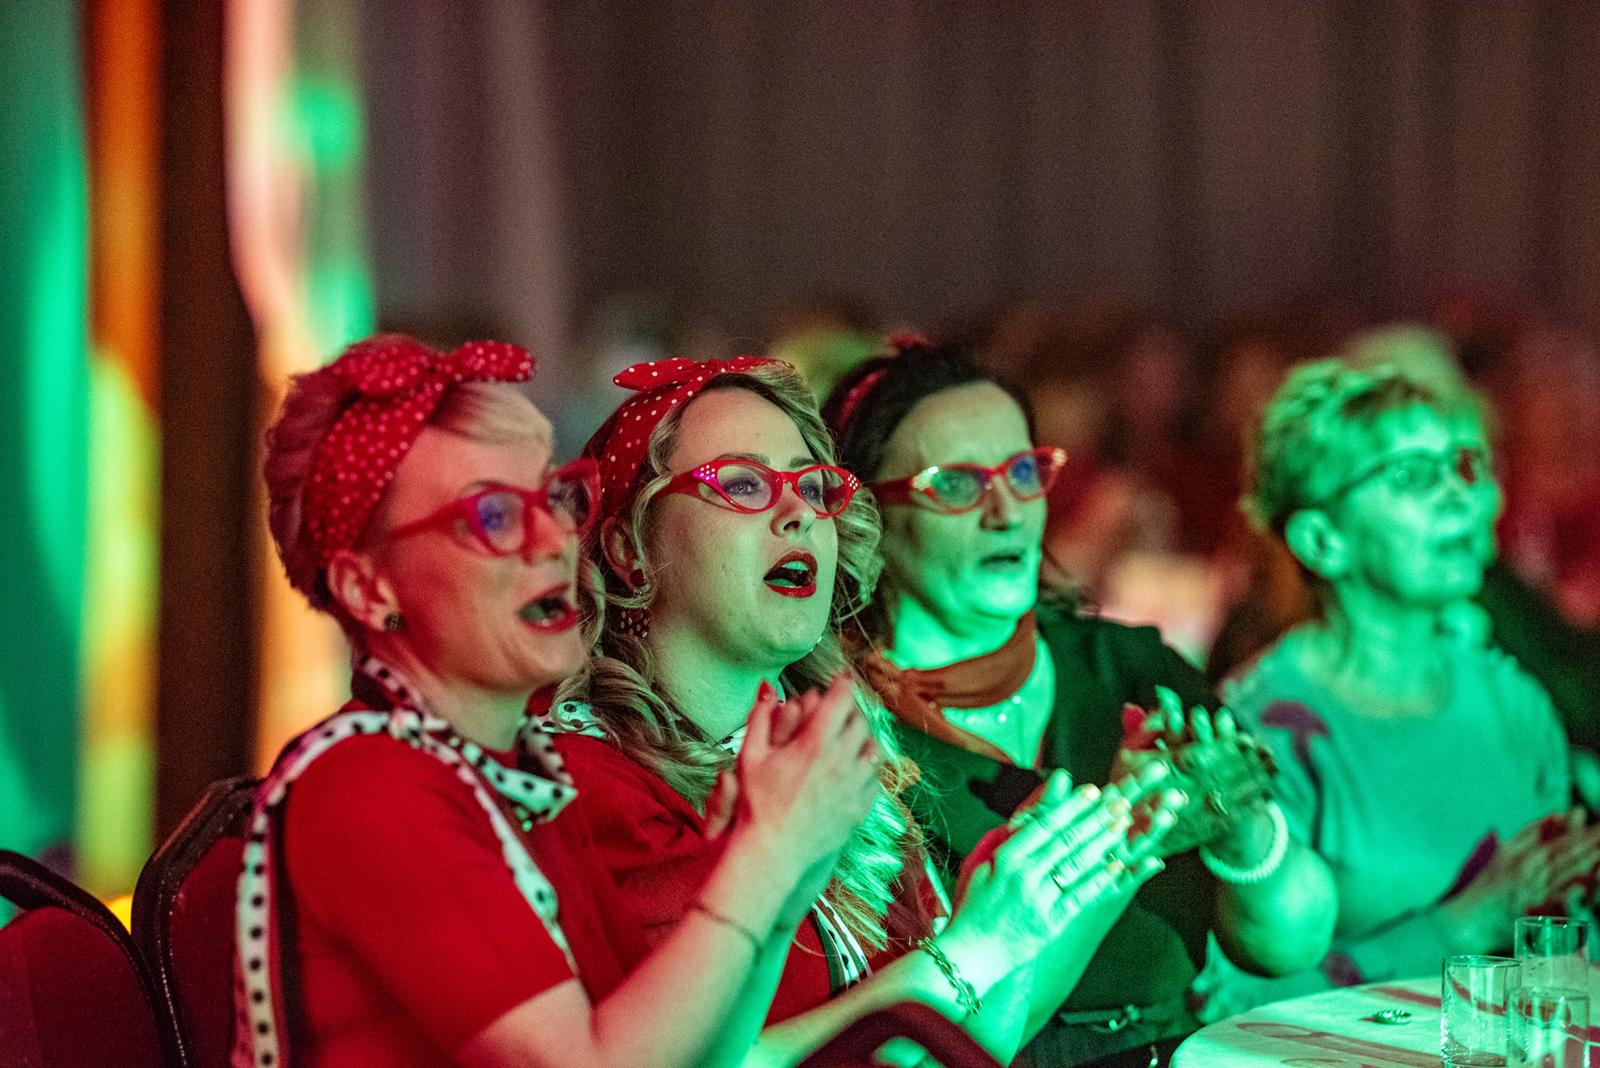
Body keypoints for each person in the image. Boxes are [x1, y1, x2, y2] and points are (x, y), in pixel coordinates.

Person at [244, 335, 880, 1068]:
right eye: (490, 518)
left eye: (550, 499)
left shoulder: (512, 773)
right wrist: (765, 859)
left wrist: (782, 884)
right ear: (369, 590)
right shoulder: (372, 785)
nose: (551, 540)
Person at [547, 355, 1182, 1066]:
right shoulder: (586, 785)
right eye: (744, 484)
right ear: (629, 548)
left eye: (813, 486)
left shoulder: (831, 744)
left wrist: (1090, 861)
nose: (799, 512)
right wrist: (976, 945)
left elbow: (954, 1049)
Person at [822, 339, 1337, 1067]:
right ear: (867, 515)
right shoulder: (841, 725)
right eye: (958, 484)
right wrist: (1126, 829)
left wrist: (1242, 829)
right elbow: (914, 1042)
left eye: (1023, 472)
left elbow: (1291, 944)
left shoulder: (1125, 668)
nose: (1006, 511)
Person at [1201, 358, 1600, 1017]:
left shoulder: (1508, 696)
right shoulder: (1264, 734)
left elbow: (1563, 943)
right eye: (1413, 477)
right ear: (1323, 541)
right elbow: (1230, 1003)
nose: (1459, 496)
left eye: (1461, 466)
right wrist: (1461, 930)